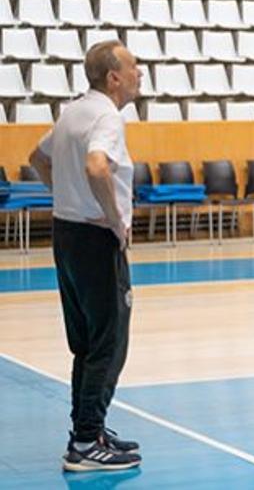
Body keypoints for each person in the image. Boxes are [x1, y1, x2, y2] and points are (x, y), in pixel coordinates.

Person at [27, 41, 143, 472]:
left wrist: (65, 194)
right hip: (95, 239)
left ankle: (88, 430)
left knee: (85, 341)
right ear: (114, 77)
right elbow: (97, 166)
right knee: (108, 343)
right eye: (134, 67)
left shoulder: (74, 110)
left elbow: (37, 157)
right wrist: (115, 218)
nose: (140, 73)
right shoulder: (107, 117)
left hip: (66, 234)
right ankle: (84, 441)